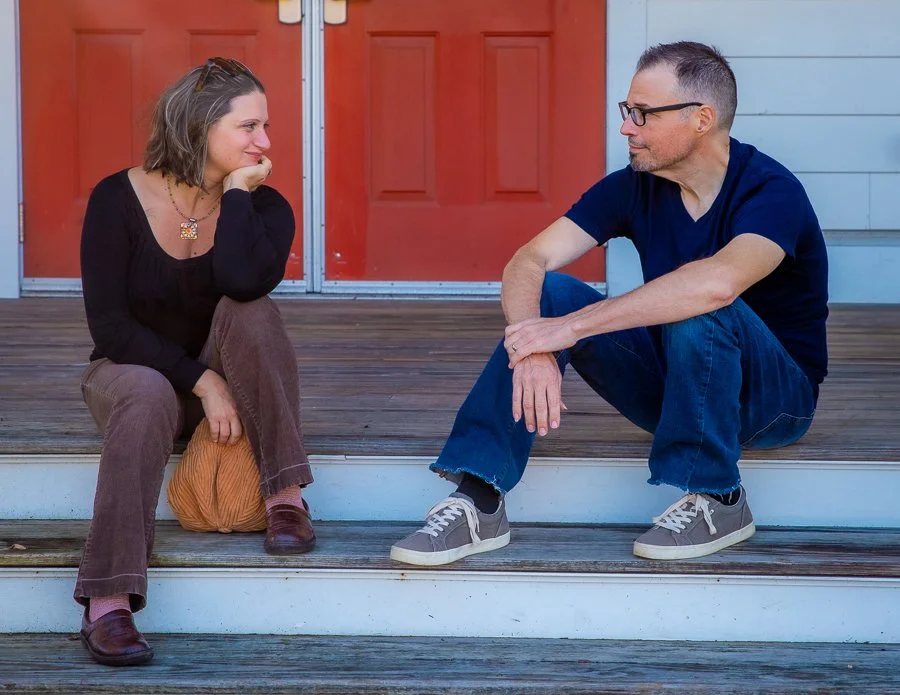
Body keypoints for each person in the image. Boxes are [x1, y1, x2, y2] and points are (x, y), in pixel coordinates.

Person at [391, 41, 828, 567]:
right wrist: (532, 343)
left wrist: (569, 330)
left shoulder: (772, 191)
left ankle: (720, 498)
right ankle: (479, 498)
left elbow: (717, 284)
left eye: (642, 114)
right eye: (627, 111)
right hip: (680, 390)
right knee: (548, 296)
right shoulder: (635, 187)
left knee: (700, 303)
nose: (627, 127)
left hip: (773, 403)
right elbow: (528, 260)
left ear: (701, 119)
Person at [76, 57, 315, 666]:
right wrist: (201, 381)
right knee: (148, 392)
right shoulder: (115, 199)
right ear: (200, 125)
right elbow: (110, 329)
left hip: (229, 381)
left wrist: (235, 196)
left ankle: (284, 495)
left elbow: (242, 281)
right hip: (131, 376)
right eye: (248, 127)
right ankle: (108, 603)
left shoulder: (267, 208)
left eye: (266, 126)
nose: (265, 142)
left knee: (253, 312)